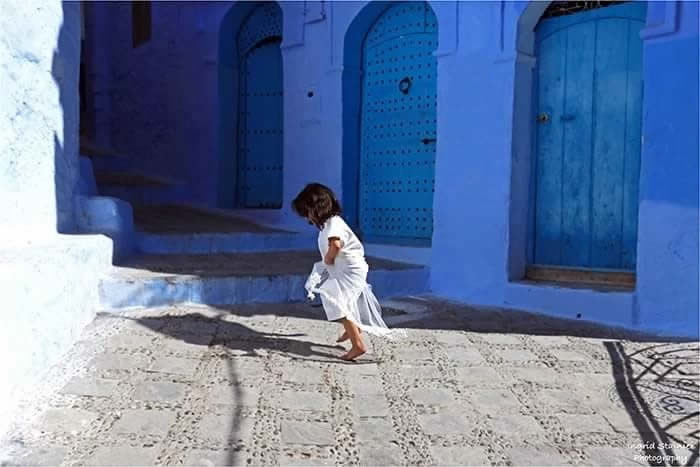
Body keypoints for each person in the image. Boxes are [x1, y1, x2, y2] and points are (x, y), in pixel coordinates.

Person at [292, 183, 398, 361]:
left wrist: (329, 258)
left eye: (307, 213)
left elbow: (335, 244)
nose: (307, 218)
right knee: (343, 300)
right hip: (347, 269)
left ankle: (358, 344)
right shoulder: (331, 223)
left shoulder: (333, 224)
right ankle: (353, 329)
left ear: (316, 208)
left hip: (348, 270)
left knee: (336, 303)